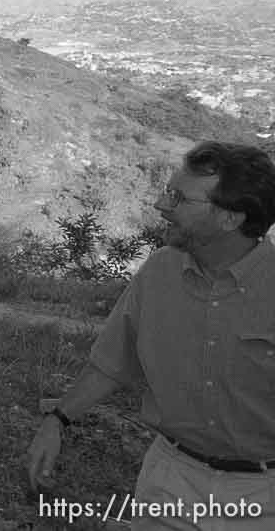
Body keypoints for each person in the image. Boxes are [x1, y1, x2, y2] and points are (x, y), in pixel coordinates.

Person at [25, 141, 275, 529]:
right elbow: (112, 361)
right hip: (170, 480)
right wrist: (57, 420)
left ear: (230, 218)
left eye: (178, 197)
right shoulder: (159, 272)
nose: (161, 205)